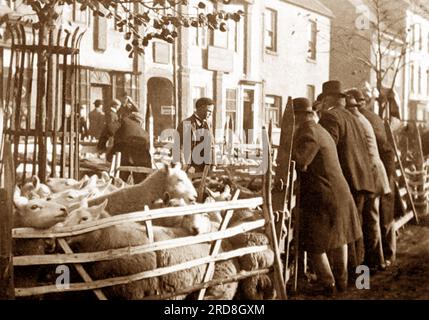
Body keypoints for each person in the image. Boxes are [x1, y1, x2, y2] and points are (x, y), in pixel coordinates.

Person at [291, 97, 362, 295]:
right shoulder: (320, 129)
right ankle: (342, 282)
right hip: (339, 192)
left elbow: (302, 161)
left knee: (313, 243)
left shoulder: (308, 131)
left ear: (300, 115)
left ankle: (327, 284)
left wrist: (287, 156)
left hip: (324, 195)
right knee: (340, 239)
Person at [318, 80, 377, 280]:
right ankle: (359, 277)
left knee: (350, 232)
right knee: (357, 228)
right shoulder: (352, 116)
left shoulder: (330, 116)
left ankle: (355, 278)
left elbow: (327, 147)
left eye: (323, 100)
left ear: (328, 99)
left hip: (348, 179)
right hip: (364, 177)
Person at [348, 88, 397, 266]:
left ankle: (373, 262)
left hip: (373, 172)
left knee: (371, 218)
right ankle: (381, 259)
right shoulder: (371, 117)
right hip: (379, 170)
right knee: (376, 217)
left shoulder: (360, 119)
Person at [109, 112, 152, 184]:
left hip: (123, 156)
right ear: (140, 122)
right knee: (140, 184)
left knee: (120, 182)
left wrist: (101, 145)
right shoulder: (145, 133)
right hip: (140, 161)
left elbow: (109, 127)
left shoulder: (124, 120)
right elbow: (148, 151)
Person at [175, 97, 215, 173]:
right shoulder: (186, 124)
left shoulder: (208, 124)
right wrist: (185, 167)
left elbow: (212, 145)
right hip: (191, 167)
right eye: (209, 111)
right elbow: (180, 148)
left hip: (206, 167)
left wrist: (213, 165)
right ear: (201, 108)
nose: (211, 114)